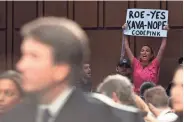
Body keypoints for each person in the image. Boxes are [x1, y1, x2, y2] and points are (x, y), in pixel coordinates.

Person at [0, 17, 120, 122]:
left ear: (61, 70)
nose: (21, 65)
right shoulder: (12, 117)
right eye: (23, 55)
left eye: (34, 56)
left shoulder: (101, 117)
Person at [122, 23, 169, 94]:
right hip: (137, 96)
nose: (144, 52)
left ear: (151, 55)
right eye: (142, 51)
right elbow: (126, 47)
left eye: (147, 51)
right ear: (140, 54)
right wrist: (124, 32)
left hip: (152, 96)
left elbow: (162, 48)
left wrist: (165, 33)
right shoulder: (135, 63)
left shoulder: (155, 63)